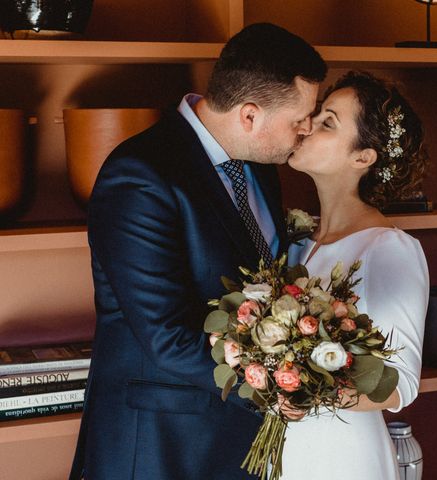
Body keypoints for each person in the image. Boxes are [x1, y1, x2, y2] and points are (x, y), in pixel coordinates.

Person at [69, 23, 327, 480]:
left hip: (234, 437)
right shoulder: (141, 176)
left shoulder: (260, 167)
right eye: (300, 119)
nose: (306, 130)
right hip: (161, 444)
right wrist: (274, 377)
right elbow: (165, 335)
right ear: (250, 115)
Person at [285, 71, 429, 479]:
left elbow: (402, 384)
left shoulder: (388, 249)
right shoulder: (297, 240)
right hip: (285, 448)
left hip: (341, 456)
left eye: (328, 122)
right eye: (316, 115)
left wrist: (302, 390)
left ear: (363, 158)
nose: (306, 125)